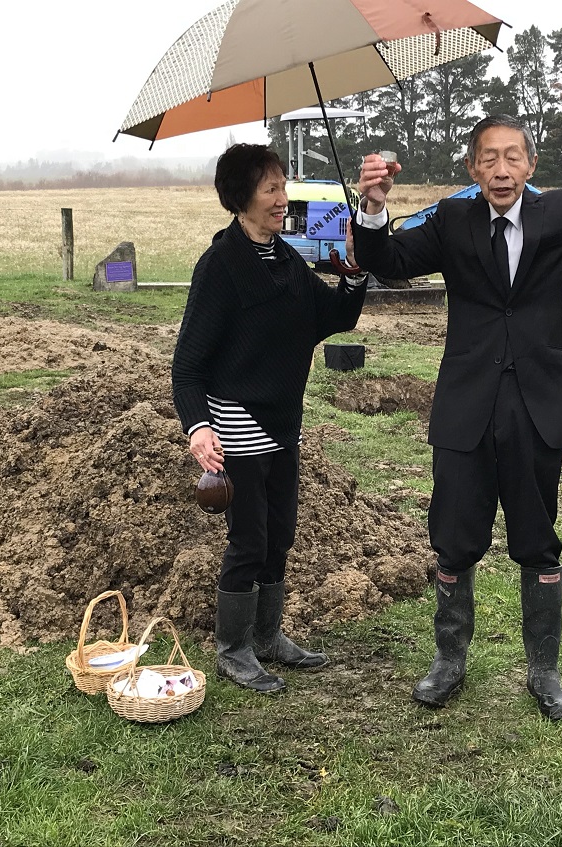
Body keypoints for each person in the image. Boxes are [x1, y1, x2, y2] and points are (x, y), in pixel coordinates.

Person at [353, 98, 562, 719]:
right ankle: (449, 661)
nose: (501, 169)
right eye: (488, 159)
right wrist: (372, 207)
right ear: (473, 170)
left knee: (536, 537)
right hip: (466, 403)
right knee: (453, 537)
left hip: (538, 404)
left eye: (512, 157)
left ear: (531, 165)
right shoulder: (452, 221)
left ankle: (543, 669)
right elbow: (386, 262)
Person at [172, 143, 367, 694]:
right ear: (242, 198)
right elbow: (187, 366)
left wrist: (353, 273)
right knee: (249, 540)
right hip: (237, 421)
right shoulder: (220, 267)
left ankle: (268, 636)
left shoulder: (285, 260)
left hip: (284, 422)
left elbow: (333, 318)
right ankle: (233, 649)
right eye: (272, 188)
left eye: (284, 186)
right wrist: (198, 427)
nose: (284, 198)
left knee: (280, 534)